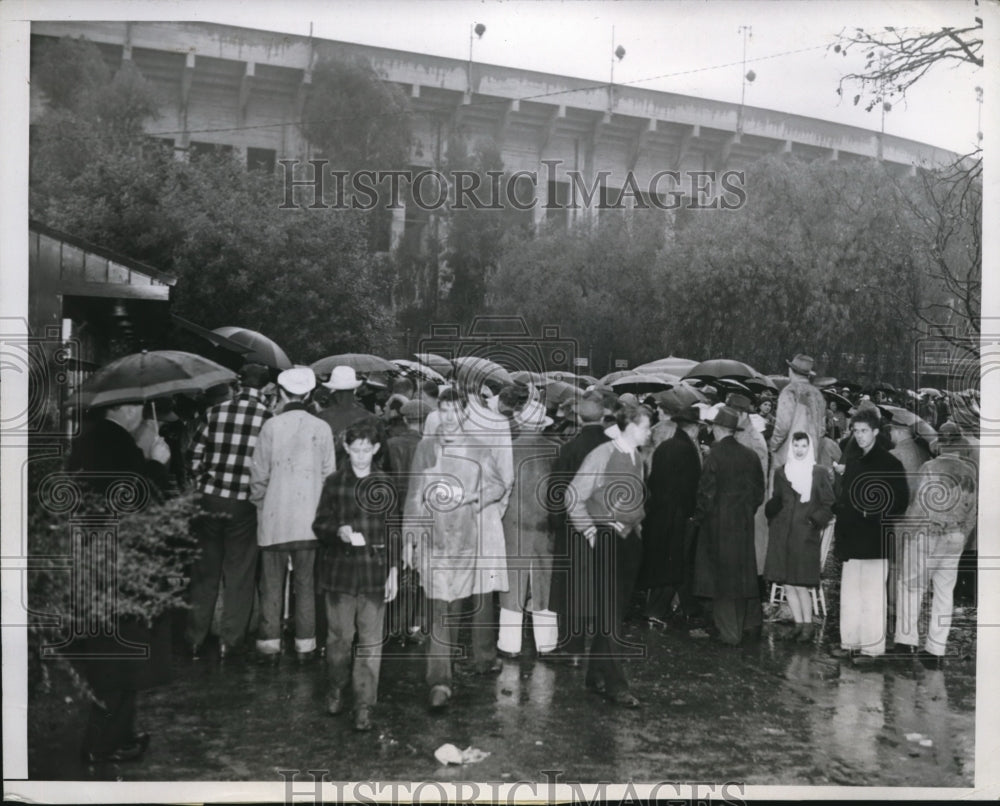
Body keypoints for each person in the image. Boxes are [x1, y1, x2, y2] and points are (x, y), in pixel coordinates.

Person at [67, 399, 172, 764]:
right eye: (140, 408)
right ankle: (101, 744)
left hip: (94, 558)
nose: (143, 415)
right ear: (125, 409)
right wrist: (157, 464)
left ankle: (120, 734)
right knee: (118, 656)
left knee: (113, 651)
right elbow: (139, 502)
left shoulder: (88, 441)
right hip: (118, 563)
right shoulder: (117, 446)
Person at [403, 389, 510, 712]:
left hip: (466, 543)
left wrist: (469, 497)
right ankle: (440, 682)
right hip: (434, 542)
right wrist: (410, 538)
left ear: (465, 413)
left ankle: (458, 672)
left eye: (455, 411)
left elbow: (498, 485)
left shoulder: (478, 449)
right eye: (444, 411)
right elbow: (413, 494)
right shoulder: (426, 447)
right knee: (440, 613)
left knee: (458, 607)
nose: (449, 417)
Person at [313, 420, 399, 731]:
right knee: (339, 638)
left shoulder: (385, 483)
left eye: (367, 450)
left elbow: (393, 530)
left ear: (376, 449)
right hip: (340, 573)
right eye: (355, 450)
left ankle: (364, 704)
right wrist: (337, 531)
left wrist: (393, 571)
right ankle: (336, 687)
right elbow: (319, 524)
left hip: (374, 572)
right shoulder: (334, 482)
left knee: (371, 642)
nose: (361, 456)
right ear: (346, 448)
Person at [249, 367, 336, 664]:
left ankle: (270, 645)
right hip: (310, 522)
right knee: (307, 585)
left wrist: (261, 503)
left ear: (283, 395)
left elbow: (259, 475)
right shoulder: (321, 428)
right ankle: (305, 646)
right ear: (309, 394)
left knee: (271, 583)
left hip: (274, 519)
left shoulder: (271, 427)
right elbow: (329, 477)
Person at [568, 402, 651, 708]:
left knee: (615, 611)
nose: (649, 431)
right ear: (630, 427)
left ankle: (595, 674)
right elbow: (573, 496)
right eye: (645, 426)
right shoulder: (602, 454)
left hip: (629, 541)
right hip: (606, 538)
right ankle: (617, 684)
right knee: (610, 614)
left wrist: (636, 530)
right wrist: (591, 531)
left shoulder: (638, 458)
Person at [186, 362, 272, 660]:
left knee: (205, 571)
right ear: (265, 388)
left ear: (238, 383)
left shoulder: (214, 413)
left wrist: (202, 483)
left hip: (210, 499)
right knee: (239, 572)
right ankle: (230, 640)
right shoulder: (268, 419)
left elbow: (194, 454)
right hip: (245, 503)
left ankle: (195, 637)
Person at [830, 407, 910, 666]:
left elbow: (900, 501)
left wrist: (871, 509)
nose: (860, 436)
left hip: (875, 539)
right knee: (850, 594)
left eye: (864, 431)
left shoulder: (890, 463)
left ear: (875, 431)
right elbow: (845, 497)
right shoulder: (853, 462)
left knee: (873, 596)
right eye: (856, 431)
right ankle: (850, 643)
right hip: (852, 539)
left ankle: (872, 650)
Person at [893, 434, 977, 666]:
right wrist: (963, 535)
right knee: (944, 593)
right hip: (956, 536)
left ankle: (906, 641)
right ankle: (935, 650)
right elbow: (973, 513)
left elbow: (919, 505)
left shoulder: (930, 467)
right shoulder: (970, 472)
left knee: (912, 586)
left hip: (928, 535)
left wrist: (906, 534)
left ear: (940, 444)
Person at [692, 406, 766, 646]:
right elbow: (758, 493)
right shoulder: (750, 455)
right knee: (745, 573)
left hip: (717, 524)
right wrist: (745, 511)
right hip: (743, 522)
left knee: (721, 578)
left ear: (718, 428)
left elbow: (706, 494)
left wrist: (699, 519)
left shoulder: (713, 455)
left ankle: (729, 633)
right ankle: (751, 625)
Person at [547, 390, 611, 663]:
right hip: (607, 525)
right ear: (604, 413)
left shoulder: (569, 448)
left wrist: (556, 524)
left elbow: (557, 493)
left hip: (574, 528)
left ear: (579, 416)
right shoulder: (616, 447)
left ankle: (572, 648)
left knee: (573, 585)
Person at [497, 400, 561, 659]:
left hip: (512, 525)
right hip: (546, 526)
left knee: (511, 584)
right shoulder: (557, 450)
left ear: (520, 421)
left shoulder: (507, 451)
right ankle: (546, 644)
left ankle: (509, 644)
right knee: (544, 583)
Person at [763, 432, 835, 642]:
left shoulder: (818, 473)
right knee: (787, 582)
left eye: (803, 446)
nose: (799, 450)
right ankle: (798, 622)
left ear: (809, 447)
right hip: (782, 533)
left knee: (801, 582)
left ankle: (808, 624)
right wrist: (773, 511)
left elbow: (829, 503)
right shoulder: (781, 472)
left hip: (804, 535)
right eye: (796, 446)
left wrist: (814, 521)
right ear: (791, 447)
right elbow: (776, 498)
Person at [637, 404, 703, 625]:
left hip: (659, 513)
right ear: (693, 428)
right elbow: (691, 487)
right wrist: (692, 514)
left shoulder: (665, 447)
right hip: (679, 516)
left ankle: (687, 607)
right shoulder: (689, 451)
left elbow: (653, 480)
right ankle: (655, 610)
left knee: (665, 562)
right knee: (675, 564)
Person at [769, 353, 830, 468]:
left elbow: (783, 426)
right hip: (810, 455)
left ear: (790, 370)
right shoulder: (818, 395)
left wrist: (772, 445)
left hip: (787, 456)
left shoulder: (789, 391)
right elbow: (822, 430)